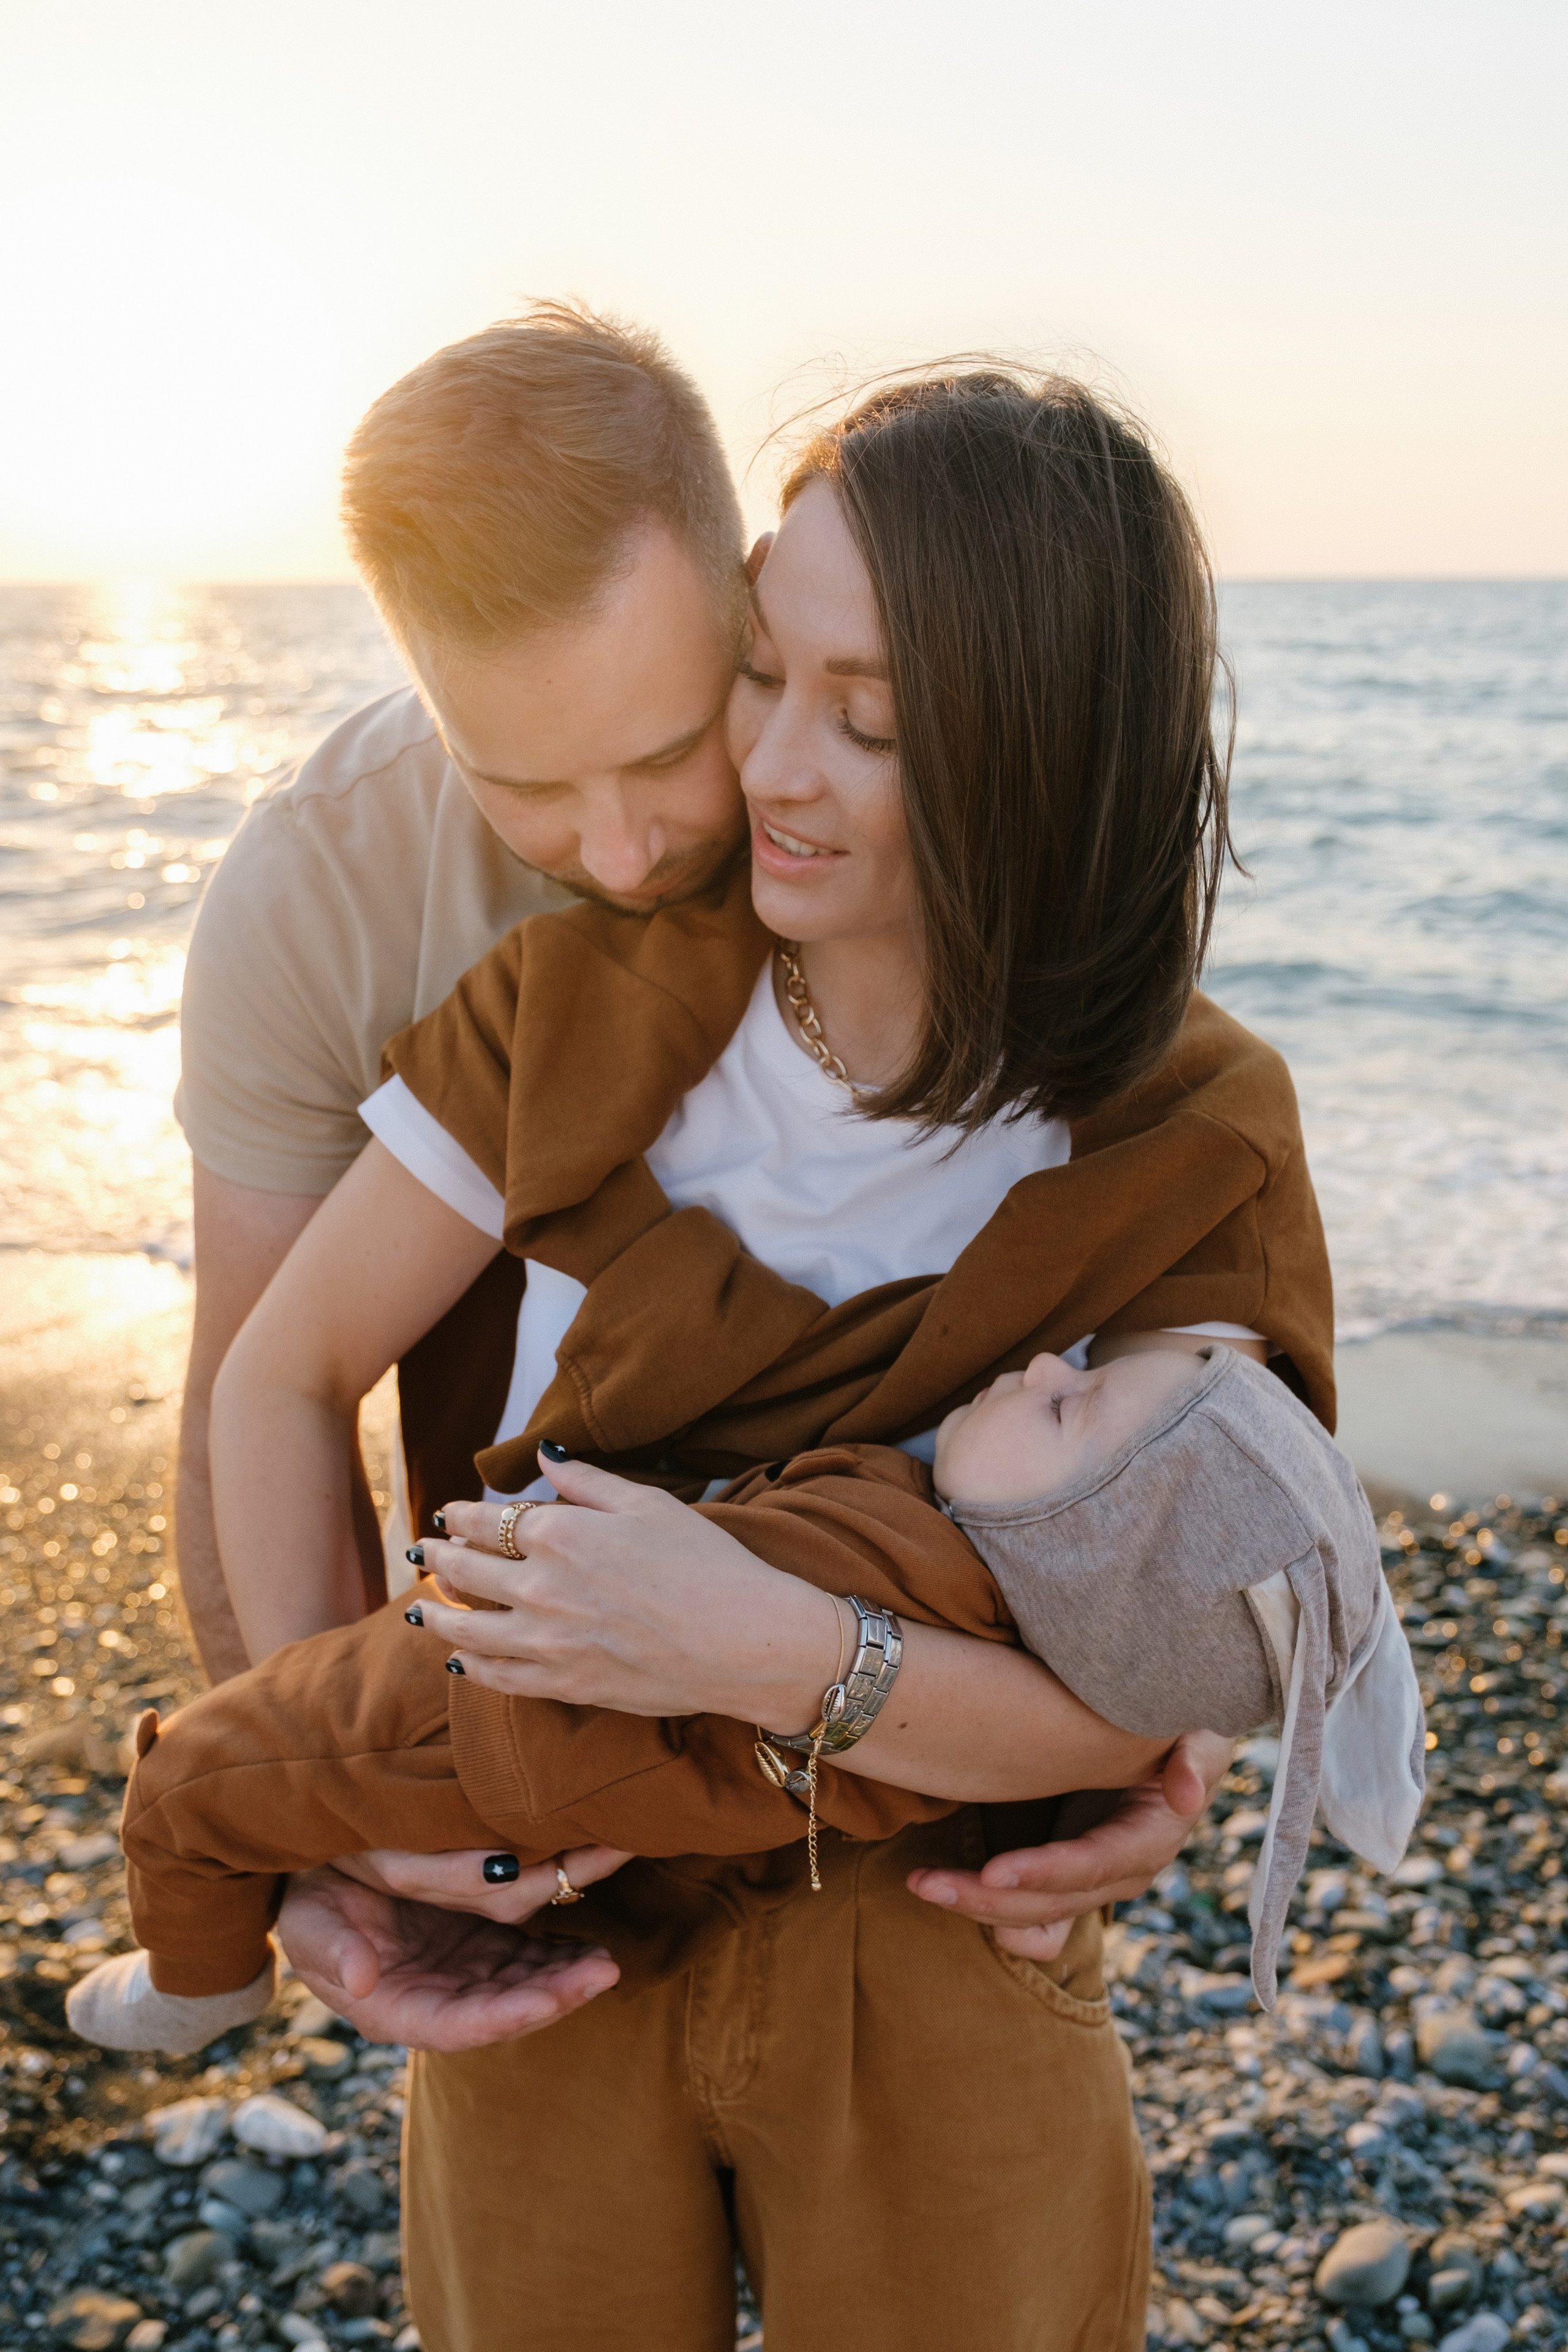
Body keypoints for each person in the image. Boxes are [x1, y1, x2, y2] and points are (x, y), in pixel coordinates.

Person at [203, 363, 1337, 2350]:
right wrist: (349, 1809)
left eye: (870, 718)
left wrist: (759, 1645)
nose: (762, 778)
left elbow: (1151, 1702)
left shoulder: (1189, 1138)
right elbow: (277, 1373)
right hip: (550, 1925)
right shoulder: (580, 998)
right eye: (765, 677)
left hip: (933, 1948)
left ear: (1037, 749)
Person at [70, 1344, 1422, 2061]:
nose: (1046, 1367)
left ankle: (198, 1984)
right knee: (249, 1767)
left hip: (480, 1704)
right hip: (506, 1695)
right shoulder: (957, 1592)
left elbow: (691, 1634)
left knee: (190, 1783)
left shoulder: (909, 1571)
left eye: (1070, 1413)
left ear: (1078, 1552)